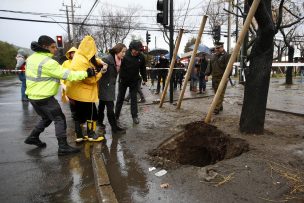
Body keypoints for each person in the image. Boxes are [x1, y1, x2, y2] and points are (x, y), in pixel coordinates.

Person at [24, 35, 97, 156]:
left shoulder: (31, 58)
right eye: (53, 47)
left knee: (46, 118)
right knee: (60, 119)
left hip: (32, 97)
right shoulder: (48, 62)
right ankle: (63, 147)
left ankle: (33, 137)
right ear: (45, 47)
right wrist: (86, 73)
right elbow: (67, 75)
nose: (55, 49)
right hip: (44, 97)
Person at [66, 35, 108, 143]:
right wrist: (101, 73)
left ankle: (79, 136)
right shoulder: (82, 61)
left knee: (78, 116)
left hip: (76, 92)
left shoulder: (80, 55)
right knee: (92, 114)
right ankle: (91, 134)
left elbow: (93, 59)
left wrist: (100, 62)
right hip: (83, 93)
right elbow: (90, 80)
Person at [115, 40, 147, 124]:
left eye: (138, 50)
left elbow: (143, 68)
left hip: (134, 80)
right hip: (123, 80)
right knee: (120, 98)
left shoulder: (141, 57)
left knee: (134, 99)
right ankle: (116, 116)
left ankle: (134, 116)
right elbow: (117, 64)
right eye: (135, 50)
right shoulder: (125, 55)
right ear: (131, 48)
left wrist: (145, 78)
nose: (136, 52)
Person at [98, 43, 127, 134]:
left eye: (125, 52)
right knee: (110, 108)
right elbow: (99, 71)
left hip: (110, 86)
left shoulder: (119, 60)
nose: (124, 54)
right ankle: (114, 128)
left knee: (102, 105)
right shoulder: (107, 59)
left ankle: (99, 122)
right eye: (123, 52)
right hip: (104, 86)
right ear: (117, 51)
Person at [205, 42, 230, 115]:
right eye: (216, 48)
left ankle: (216, 109)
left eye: (218, 48)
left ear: (222, 47)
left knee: (220, 94)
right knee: (216, 93)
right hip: (214, 78)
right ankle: (220, 106)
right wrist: (206, 74)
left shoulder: (226, 56)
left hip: (222, 77)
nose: (217, 49)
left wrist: (227, 76)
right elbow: (209, 66)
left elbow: (229, 66)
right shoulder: (213, 56)